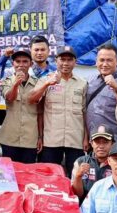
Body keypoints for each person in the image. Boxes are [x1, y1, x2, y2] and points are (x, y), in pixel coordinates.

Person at [29, 45, 88, 175]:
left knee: (76, 175)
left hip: (75, 139)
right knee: (49, 176)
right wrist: (47, 84)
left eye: (69, 60)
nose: (65, 63)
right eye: (62, 59)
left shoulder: (82, 83)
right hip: (51, 139)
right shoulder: (46, 80)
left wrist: (85, 137)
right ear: (56, 61)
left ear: (75, 62)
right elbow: (32, 99)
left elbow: (84, 111)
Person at [0, 48, 40, 163]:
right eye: (18, 61)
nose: (21, 65)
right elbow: (9, 98)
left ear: (31, 64)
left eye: (25, 61)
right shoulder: (6, 81)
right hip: (9, 138)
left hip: (30, 138)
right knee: (9, 175)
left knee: (28, 174)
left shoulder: (38, 83)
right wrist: (15, 84)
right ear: (12, 64)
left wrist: (40, 137)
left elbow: (41, 111)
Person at [86, 43, 117, 142]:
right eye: (102, 60)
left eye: (109, 60)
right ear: (96, 62)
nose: (105, 64)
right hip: (93, 140)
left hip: (113, 141)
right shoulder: (90, 80)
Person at [71, 125, 114, 200]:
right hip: (84, 207)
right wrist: (78, 176)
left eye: (105, 142)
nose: (101, 146)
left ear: (112, 143)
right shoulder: (80, 162)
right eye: (97, 142)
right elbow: (77, 195)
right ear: (91, 143)